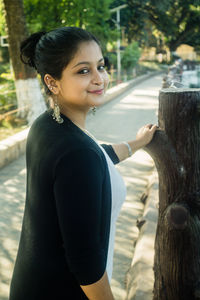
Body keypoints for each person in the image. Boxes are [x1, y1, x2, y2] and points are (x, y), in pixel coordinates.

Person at [9, 27, 157, 300]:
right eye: (83, 71)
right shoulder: (77, 153)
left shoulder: (48, 126)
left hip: (32, 284)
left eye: (101, 66)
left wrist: (137, 143)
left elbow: (97, 156)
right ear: (52, 82)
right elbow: (86, 262)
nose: (100, 78)